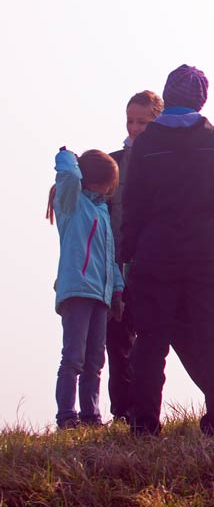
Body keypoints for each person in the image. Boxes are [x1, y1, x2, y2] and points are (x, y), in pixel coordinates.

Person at [121, 64, 214, 436]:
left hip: (154, 255)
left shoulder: (146, 143)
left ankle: (144, 425)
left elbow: (133, 206)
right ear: (201, 99)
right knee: (213, 340)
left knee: (150, 342)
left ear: (167, 97)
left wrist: (126, 255)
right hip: (206, 254)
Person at [47, 147, 123, 429]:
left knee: (95, 360)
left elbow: (109, 257)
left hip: (100, 296)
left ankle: (91, 416)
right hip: (77, 290)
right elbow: (67, 174)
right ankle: (67, 415)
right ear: (98, 180)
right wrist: (71, 157)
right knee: (73, 358)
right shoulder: (71, 203)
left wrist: (117, 291)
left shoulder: (101, 211)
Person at [105, 90, 163, 423]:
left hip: (154, 262)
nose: (135, 128)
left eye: (143, 122)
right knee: (118, 339)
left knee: (154, 340)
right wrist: (67, 182)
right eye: (130, 121)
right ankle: (123, 411)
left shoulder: (167, 162)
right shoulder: (113, 163)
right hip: (117, 265)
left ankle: (145, 410)